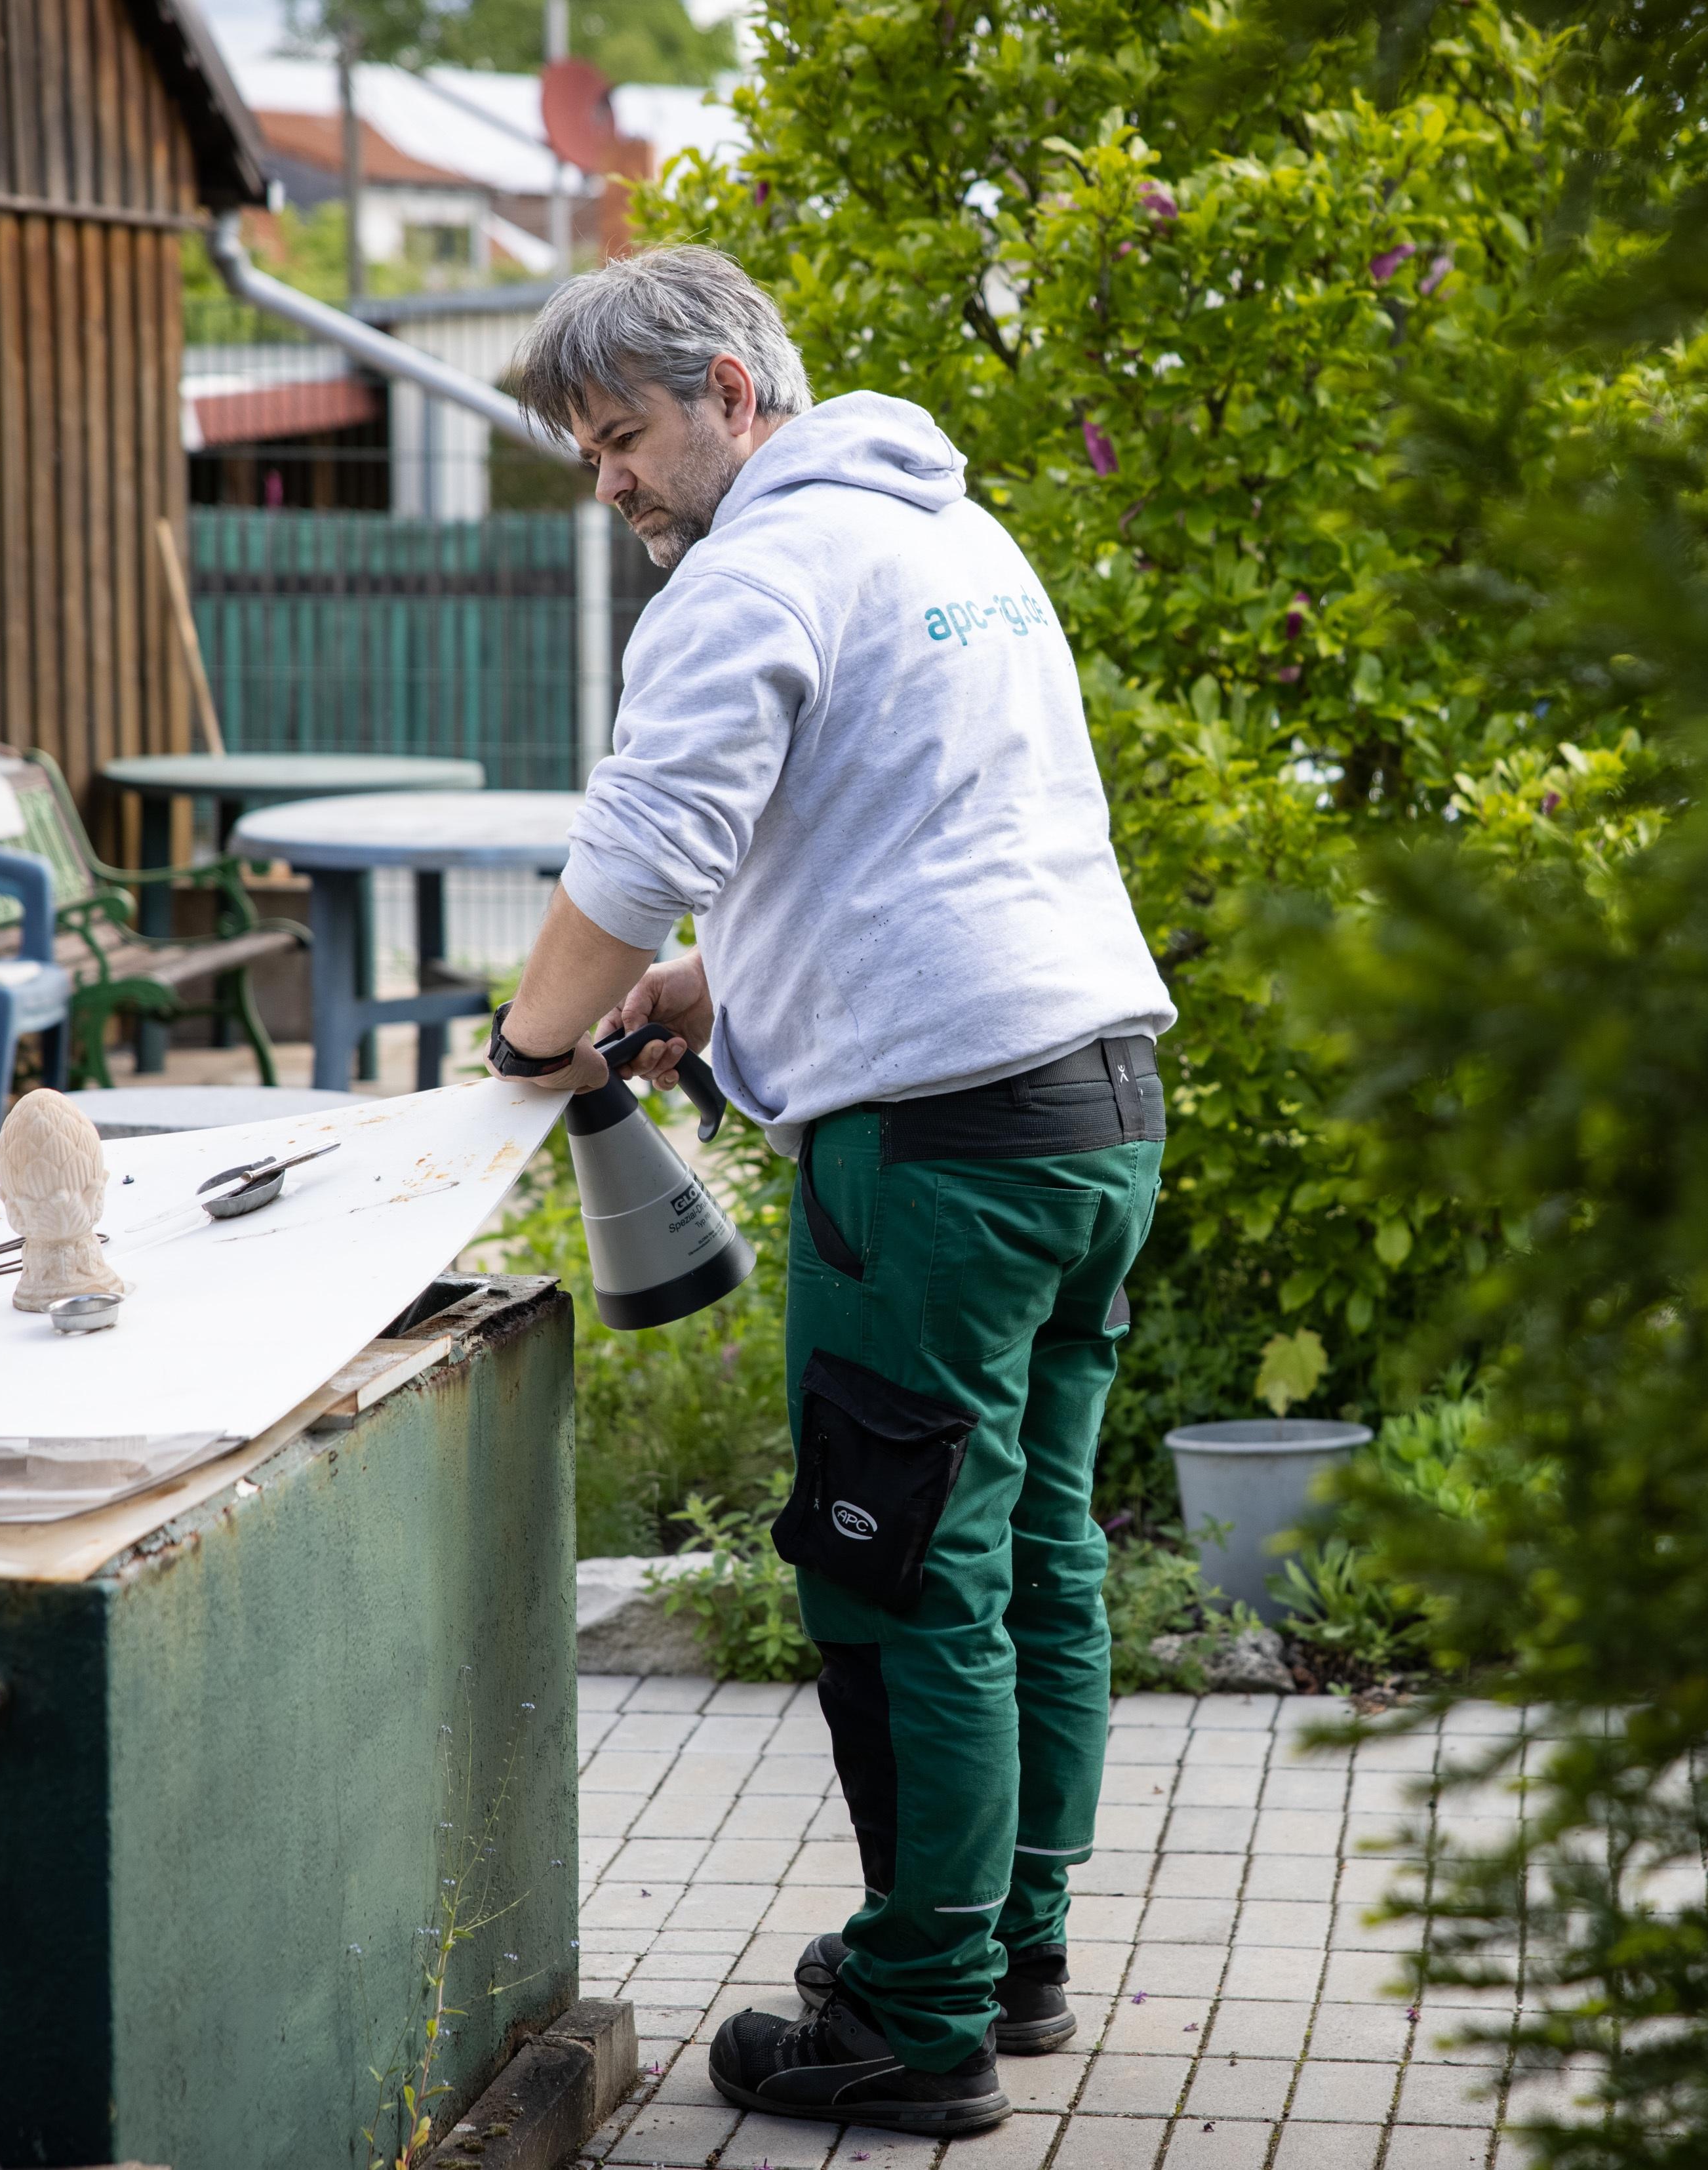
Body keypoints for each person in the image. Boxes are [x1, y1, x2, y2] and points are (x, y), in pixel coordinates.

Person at [488, 247, 1174, 2139]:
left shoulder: (761, 567)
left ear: (726, 391)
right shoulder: (953, 542)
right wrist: (728, 983)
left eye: (620, 437)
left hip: (935, 1154)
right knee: (1030, 1542)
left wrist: (532, 1051)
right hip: (1098, 1109)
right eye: (582, 451)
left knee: (896, 1575)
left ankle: (913, 2021)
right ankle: (1005, 1942)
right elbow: (940, 834)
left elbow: (645, 841)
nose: (606, 481)